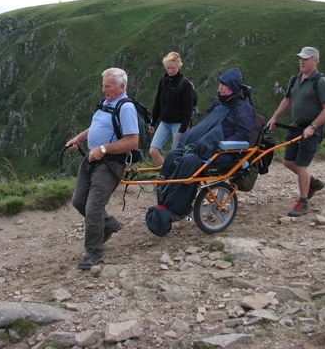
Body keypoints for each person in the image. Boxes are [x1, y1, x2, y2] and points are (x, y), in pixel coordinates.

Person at [145, 68, 255, 236]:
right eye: (220, 84)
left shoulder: (242, 108)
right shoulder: (218, 103)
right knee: (173, 156)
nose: (220, 88)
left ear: (233, 87)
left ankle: (176, 208)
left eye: (224, 85)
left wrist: (220, 144)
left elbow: (243, 135)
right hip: (202, 148)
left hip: (223, 153)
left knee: (189, 161)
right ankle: (163, 201)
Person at [65, 68, 139, 270]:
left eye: (108, 86)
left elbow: (132, 141)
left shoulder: (126, 108)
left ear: (121, 87)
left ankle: (94, 253)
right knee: (79, 201)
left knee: (93, 208)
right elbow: (97, 127)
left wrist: (104, 149)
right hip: (92, 158)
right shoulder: (107, 104)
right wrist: (79, 139)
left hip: (110, 163)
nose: (103, 89)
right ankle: (110, 225)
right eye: (103, 85)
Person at [267, 47, 325, 217]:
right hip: (296, 127)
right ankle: (314, 183)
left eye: (307, 59)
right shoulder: (295, 79)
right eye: (301, 58)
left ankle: (303, 202)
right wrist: (274, 117)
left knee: (302, 165)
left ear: (316, 61)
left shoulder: (321, 82)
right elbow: (287, 100)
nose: (302, 61)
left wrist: (313, 127)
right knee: (288, 161)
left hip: (312, 131)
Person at [148, 52, 195, 166]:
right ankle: (165, 173)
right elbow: (158, 102)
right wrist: (153, 122)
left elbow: (188, 108)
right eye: (168, 68)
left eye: (173, 68)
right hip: (164, 123)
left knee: (176, 156)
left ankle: (174, 179)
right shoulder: (163, 81)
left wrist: (183, 128)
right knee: (153, 151)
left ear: (178, 66)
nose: (170, 70)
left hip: (178, 124)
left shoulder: (185, 84)